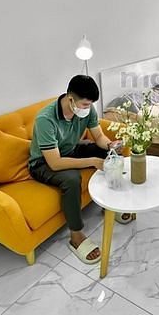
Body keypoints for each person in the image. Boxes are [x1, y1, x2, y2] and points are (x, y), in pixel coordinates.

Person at [28, 75, 129, 264]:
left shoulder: (85, 109)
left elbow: (98, 137)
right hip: (43, 163)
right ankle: (76, 236)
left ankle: (110, 206)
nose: (88, 108)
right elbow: (55, 163)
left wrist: (110, 145)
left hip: (70, 150)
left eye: (90, 104)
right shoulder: (45, 119)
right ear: (70, 99)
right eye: (85, 104)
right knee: (72, 179)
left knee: (109, 155)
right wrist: (92, 161)